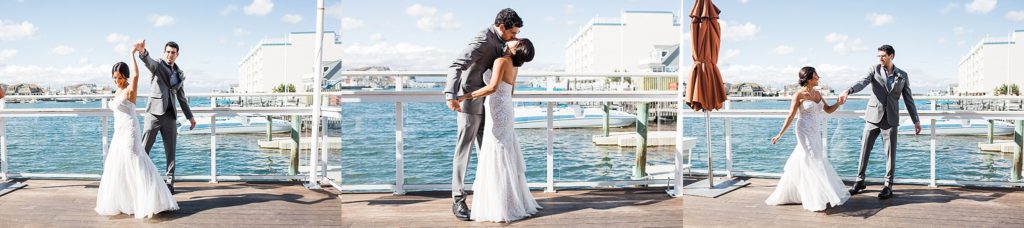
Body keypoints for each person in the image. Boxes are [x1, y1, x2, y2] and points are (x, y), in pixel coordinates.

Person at [443, 8, 522, 221]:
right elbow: (456, 65)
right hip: (468, 102)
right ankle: (458, 200)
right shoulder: (481, 39)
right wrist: (451, 94)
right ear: (502, 27)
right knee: (464, 152)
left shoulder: (504, 43)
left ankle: (489, 199)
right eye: (512, 33)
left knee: (487, 152)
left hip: (491, 105)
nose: (514, 37)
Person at [457, 38, 539, 222]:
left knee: (497, 154)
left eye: (515, 41)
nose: (511, 40)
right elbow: (510, 91)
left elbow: (492, 87)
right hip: (506, 109)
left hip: (497, 109)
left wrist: (465, 96)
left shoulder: (500, 61)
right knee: (505, 152)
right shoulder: (515, 66)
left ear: (516, 48)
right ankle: (509, 201)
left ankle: (501, 205)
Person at [95, 40, 178, 218]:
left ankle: (150, 199)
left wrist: (132, 54)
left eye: (120, 77)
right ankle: (130, 200)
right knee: (119, 164)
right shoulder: (117, 91)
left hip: (130, 131)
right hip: (119, 131)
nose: (117, 81)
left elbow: (136, 76)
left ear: (125, 76)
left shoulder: (130, 89)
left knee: (136, 162)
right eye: (115, 78)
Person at [837, 44, 921, 200]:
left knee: (890, 154)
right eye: (879, 56)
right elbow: (861, 82)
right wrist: (848, 90)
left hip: (891, 120)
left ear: (891, 56)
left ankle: (888, 186)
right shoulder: (873, 70)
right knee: (864, 150)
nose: (880, 58)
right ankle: (859, 181)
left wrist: (916, 120)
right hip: (872, 118)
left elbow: (909, 100)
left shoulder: (902, 75)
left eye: (883, 56)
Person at [765, 66, 850, 212]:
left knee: (808, 159)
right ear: (809, 78)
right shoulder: (799, 94)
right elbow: (791, 116)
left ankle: (798, 193)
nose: (819, 78)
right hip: (803, 130)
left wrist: (838, 103)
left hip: (815, 131)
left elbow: (828, 110)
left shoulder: (817, 93)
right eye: (816, 76)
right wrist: (780, 134)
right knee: (813, 159)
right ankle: (815, 197)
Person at [136, 39, 196, 194]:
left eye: (173, 52)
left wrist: (190, 117)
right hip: (154, 114)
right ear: (164, 53)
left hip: (170, 116)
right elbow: (148, 62)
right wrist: (142, 52)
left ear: (177, 54)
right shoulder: (158, 66)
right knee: (144, 149)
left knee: (171, 151)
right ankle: (139, 178)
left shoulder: (179, 74)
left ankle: (170, 182)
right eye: (168, 52)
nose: (170, 55)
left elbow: (182, 98)